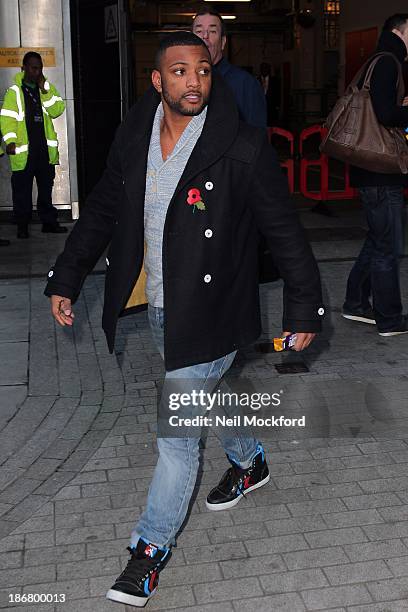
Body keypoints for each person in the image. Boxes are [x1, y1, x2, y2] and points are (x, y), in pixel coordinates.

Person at [44, 32, 324, 608]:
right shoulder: (134, 136)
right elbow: (101, 208)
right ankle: (249, 462)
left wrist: (304, 307)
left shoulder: (241, 146)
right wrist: (66, 275)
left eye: (201, 70)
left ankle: (149, 550)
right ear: (158, 80)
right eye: (178, 71)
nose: (192, 81)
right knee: (213, 393)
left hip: (215, 308)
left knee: (176, 432)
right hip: (165, 307)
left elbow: (285, 233)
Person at [343, 14, 408, 336]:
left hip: (370, 170)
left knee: (378, 240)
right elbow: (386, 114)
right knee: (389, 248)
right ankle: (390, 319)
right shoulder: (388, 62)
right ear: (399, 30)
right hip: (381, 171)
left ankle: (355, 303)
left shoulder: (377, 60)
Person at [0, 51, 67, 239]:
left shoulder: (45, 88)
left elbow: (57, 110)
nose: (36, 71)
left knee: (46, 189)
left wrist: (45, 89)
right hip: (24, 151)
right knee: (22, 191)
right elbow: (8, 118)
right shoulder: (14, 92)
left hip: (44, 150)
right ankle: (22, 225)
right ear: (24, 68)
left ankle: (49, 222)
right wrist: (10, 140)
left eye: (39, 67)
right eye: (33, 67)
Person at [192, 8, 267, 128]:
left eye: (212, 31)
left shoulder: (246, 84)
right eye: (199, 31)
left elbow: (257, 138)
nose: (205, 36)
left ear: (223, 42)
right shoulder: (182, 83)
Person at [258, 61, 281, 126]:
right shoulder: (256, 80)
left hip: (271, 107)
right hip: (260, 107)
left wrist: (277, 106)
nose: (264, 69)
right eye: (262, 68)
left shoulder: (275, 81)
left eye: (266, 68)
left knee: (271, 125)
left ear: (269, 69)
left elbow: (278, 93)